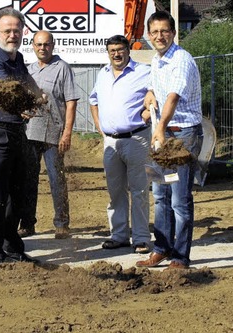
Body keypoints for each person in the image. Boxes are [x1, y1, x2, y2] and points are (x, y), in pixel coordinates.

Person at [135, 11, 203, 269]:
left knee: (179, 199)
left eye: (164, 31)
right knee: (160, 192)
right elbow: (157, 89)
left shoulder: (181, 60)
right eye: (154, 32)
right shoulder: (156, 60)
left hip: (181, 135)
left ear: (174, 33)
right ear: (149, 35)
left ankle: (180, 256)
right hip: (162, 132)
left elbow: (173, 97)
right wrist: (150, 96)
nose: (159, 36)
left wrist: (159, 128)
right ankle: (161, 248)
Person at [0, 8, 42, 264]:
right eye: (7, 30)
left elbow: (28, 83)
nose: (12, 34)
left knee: (17, 194)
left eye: (17, 30)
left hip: (16, 132)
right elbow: (6, 90)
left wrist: (39, 96)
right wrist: (26, 102)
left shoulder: (18, 59)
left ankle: (13, 247)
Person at [88, 35, 152, 254]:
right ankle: (119, 235)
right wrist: (100, 126)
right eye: (112, 50)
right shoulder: (103, 75)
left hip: (136, 139)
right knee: (115, 192)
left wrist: (148, 107)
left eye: (120, 49)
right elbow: (93, 100)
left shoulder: (144, 71)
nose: (117, 53)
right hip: (111, 142)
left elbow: (158, 93)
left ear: (128, 50)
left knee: (139, 191)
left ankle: (142, 238)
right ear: (108, 53)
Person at [18, 30, 78, 240]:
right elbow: (22, 99)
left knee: (56, 179)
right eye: (38, 45)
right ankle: (27, 223)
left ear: (53, 45)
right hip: (30, 133)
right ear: (33, 46)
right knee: (27, 180)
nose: (42, 48)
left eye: (46, 44)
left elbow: (71, 102)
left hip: (54, 134)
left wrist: (67, 133)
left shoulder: (62, 68)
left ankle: (62, 224)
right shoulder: (28, 70)